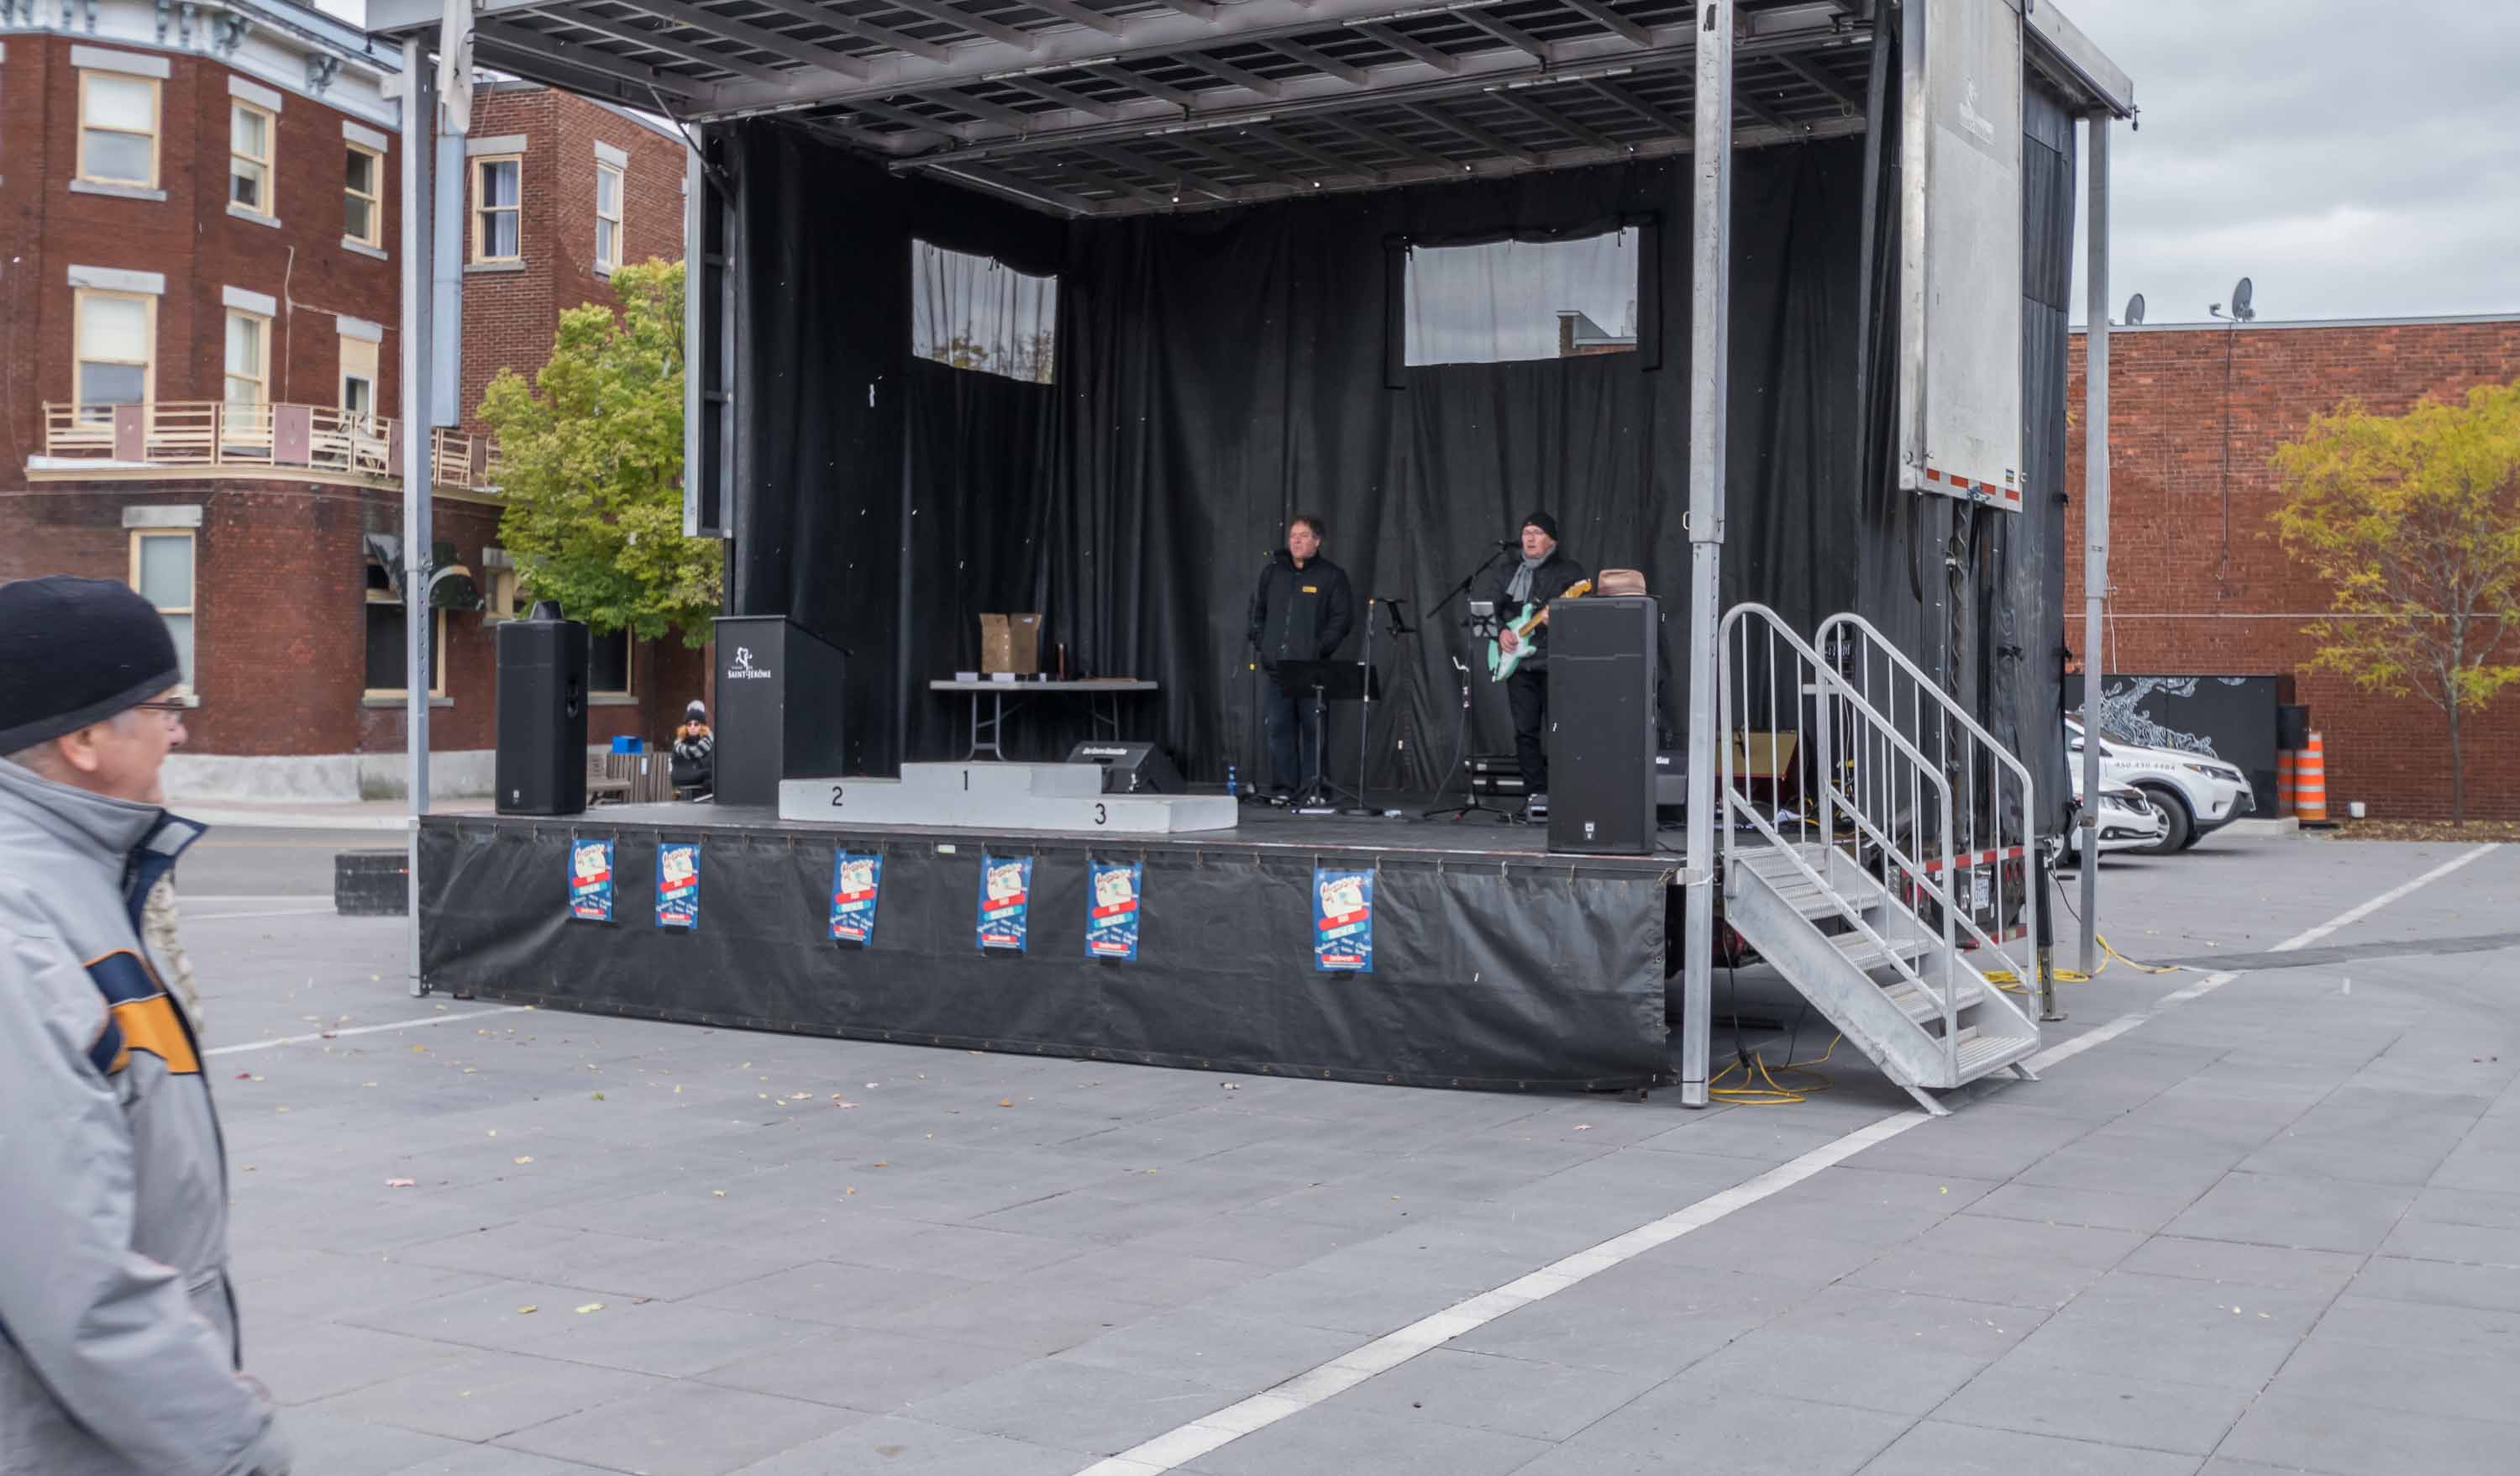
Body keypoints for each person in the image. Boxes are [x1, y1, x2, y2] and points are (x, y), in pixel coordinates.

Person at [0, 575, 293, 1476]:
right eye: (163, 708)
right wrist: (234, 1447)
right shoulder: (20, 923)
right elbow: (70, 1273)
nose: (179, 731)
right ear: (84, 739)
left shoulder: (81, 878)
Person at [1482, 510, 1588, 819]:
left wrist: (1563, 617)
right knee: (1525, 731)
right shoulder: (1507, 572)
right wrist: (1501, 632)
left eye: (1537, 532)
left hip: (1557, 663)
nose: (1529, 538)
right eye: (1526, 532)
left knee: (1561, 732)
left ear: (1552, 540)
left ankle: (1566, 798)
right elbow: (1486, 611)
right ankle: (1536, 796)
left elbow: (1587, 614)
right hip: (1520, 666)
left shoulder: (1569, 572)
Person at [1245, 513, 1355, 798]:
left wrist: (1318, 649)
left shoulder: (1331, 576)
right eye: (1293, 535)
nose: (1296, 541)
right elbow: (1257, 612)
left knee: (1314, 730)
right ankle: (1284, 789)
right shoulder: (1273, 573)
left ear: (1317, 542)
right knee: (1279, 729)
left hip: (1312, 670)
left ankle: (1313, 790)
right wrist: (1263, 643)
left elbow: (1342, 619)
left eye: (1303, 536)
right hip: (1277, 668)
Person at [670, 699, 716, 799]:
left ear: (702, 726)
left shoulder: (710, 745)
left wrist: (706, 776)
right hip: (685, 797)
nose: (692, 727)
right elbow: (676, 777)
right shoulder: (679, 747)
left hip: (705, 798)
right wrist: (704, 774)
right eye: (689, 724)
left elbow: (713, 773)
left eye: (696, 724)